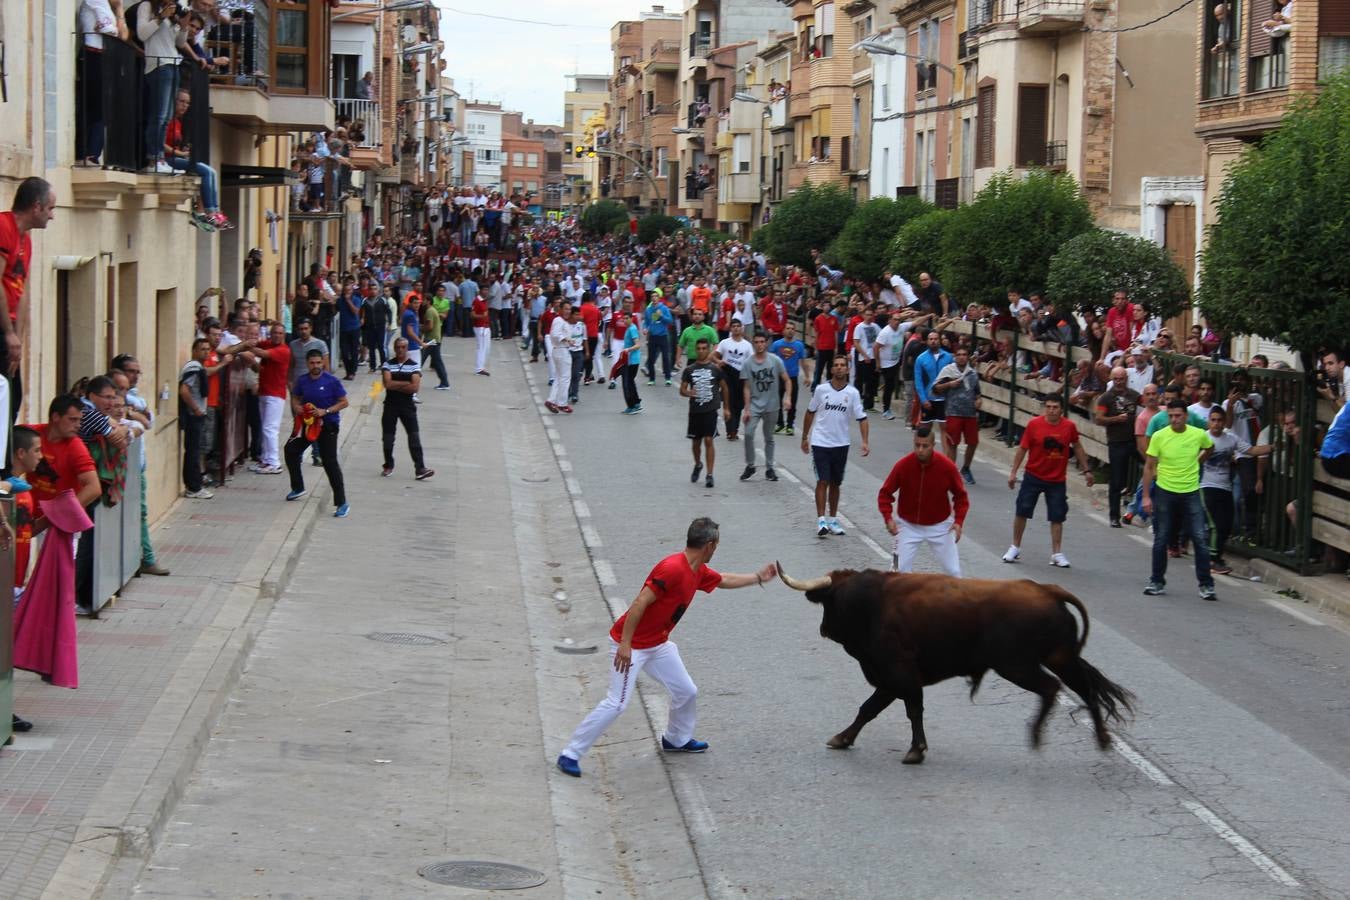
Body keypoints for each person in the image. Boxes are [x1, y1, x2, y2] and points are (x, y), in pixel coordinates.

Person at [555, 518, 778, 777]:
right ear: (709, 545)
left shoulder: (698, 571)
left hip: (657, 644)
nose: (716, 549)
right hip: (631, 645)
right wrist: (625, 645)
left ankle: (676, 739)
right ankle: (570, 753)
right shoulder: (672, 568)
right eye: (716, 545)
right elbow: (640, 603)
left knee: (686, 691)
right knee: (617, 703)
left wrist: (757, 577)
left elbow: (723, 579)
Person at [1004, 396, 1093, 568]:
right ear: (1045, 408)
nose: (1051, 410)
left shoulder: (1069, 427)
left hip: (1057, 479)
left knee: (1057, 516)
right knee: (1022, 511)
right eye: (1049, 407)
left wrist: (1087, 470)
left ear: (1061, 409)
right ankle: (1014, 546)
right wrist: (1013, 472)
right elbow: (1023, 448)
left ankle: (1057, 553)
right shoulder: (1034, 425)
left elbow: (1077, 446)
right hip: (1033, 475)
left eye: (1055, 407)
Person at [1142, 399, 1217, 600]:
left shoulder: (1197, 434)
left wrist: (1198, 461)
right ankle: (1156, 580)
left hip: (1190, 491)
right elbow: (1149, 466)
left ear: (1185, 416)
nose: (1174, 419)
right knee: (1161, 539)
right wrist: (1146, 496)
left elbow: (1209, 447)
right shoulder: (1159, 436)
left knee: (1200, 538)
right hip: (1165, 491)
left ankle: (1206, 585)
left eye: (1178, 416)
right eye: (1171, 416)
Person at [877, 424, 969, 576]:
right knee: (896, 571)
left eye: (925, 446)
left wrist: (958, 521)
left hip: (941, 526)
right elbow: (885, 494)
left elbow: (961, 497)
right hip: (907, 525)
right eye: (917, 445)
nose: (920, 450)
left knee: (954, 572)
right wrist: (888, 518)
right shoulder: (903, 465)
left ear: (933, 445)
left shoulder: (947, 467)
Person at [1, 177, 56, 426]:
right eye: (51, 208)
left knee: (12, 398)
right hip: (1, 327)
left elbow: (22, 293)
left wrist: (17, 339)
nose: (52, 216)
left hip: (7, 331)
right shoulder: (4, 227)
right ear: (36, 206)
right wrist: (8, 333)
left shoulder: (27, 240)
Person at [801, 355, 870, 538]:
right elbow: (810, 412)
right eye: (836, 365)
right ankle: (821, 520)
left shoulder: (853, 393)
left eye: (842, 365)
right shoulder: (821, 390)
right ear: (831, 369)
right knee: (822, 480)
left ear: (847, 369)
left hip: (841, 443)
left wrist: (864, 441)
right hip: (820, 442)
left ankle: (832, 519)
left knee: (836, 482)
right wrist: (804, 437)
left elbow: (862, 418)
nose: (839, 368)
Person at [285, 349, 350, 517]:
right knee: (290, 450)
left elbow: (344, 402)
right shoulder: (303, 381)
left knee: (329, 463)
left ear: (323, 363)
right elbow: (295, 396)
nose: (315, 366)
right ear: (307, 364)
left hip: (328, 427)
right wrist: (297, 407)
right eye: (312, 363)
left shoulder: (332, 381)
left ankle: (342, 502)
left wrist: (326, 411)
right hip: (309, 426)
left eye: (318, 363)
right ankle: (298, 487)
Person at [740, 332, 791, 482]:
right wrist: (747, 409)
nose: (759, 345)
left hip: (772, 404)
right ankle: (750, 465)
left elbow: (787, 380)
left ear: (767, 343)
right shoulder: (748, 363)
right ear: (753, 344)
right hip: (755, 404)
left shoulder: (775, 361)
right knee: (748, 433)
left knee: (769, 437)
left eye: (762, 341)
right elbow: (747, 387)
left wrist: (787, 397)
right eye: (756, 342)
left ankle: (769, 468)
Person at [380, 338, 434, 480]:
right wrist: (406, 383)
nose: (400, 350)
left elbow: (415, 387)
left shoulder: (414, 366)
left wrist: (395, 383)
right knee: (388, 438)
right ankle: (388, 465)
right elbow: (387, 384)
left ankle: (420, 468)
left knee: (414, 436)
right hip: (390, 405)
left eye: (403, 347)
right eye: (398, 347)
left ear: (407, 348)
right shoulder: (387, 364)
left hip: (407, 406)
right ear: (395, 348)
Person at [1095, 366, 1141, 527]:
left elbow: (1146, 405)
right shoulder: (1106, 398)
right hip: (1116, 442)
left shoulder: (1134, 395)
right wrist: (1116, 419)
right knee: (1117, 480)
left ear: (1126, 379)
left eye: (1122, 379)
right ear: (1112, 380)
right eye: (1116, 379)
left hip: (1134, 441)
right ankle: (1114, 516)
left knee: (1150, 465)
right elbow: (1099, 419)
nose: (1119, 382)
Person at [680, 338, 729, 488]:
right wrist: (689, 393)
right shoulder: (689, 370)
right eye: (698, 348)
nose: (701, 351)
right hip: (695, 411)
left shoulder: (716, 370)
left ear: (708, 350)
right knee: (696, 442)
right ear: (695, 350)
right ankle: (698, 463)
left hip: (710, 410)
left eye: (704, 348)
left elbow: (725, 388)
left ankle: (709, 474)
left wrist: (726, 408)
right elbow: (682, 390)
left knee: (709, 440)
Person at [932, 344, 982, 485]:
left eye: (964, 354)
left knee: (973, 443)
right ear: (955, 357)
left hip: (970, 414)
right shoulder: (948, 371)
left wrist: (979, 400)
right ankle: (950, 471)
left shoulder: (972, 373)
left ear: (968, 357)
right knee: (952, 443)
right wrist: (949, 385)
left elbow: (977, 392)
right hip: (953, 412)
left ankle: (966, 468)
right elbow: (935, 389)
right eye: (958, 354)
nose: (961, 357)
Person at [252, 322, 291, 475]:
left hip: (275, 395)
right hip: (265, 392)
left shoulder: (283, 350)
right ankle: (266, 460)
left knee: (270, 428)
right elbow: (258, 344)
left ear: (284, 335)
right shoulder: (268, 344)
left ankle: (274, 462)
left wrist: (244, 347)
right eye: (274, 332)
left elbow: (262, 354)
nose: (277, 335)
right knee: (265, 427)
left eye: (280, 333)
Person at [178, 337, 214, 498]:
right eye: (202, 349)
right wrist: (196, 409)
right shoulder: (193, 367)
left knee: (194, 451)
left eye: (208, 349)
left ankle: (193, 485)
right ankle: (193, 487)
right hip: (193, 416)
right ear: (194, 351)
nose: (206, 352)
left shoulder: (199, 367)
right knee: (193, 452)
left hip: (196, 415)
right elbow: (184, 390)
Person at [715, 320, 752, 441]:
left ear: (742, 328)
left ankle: (735, 428)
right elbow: (712, 356)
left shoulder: (747, 345)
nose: (736, 328)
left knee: (738, 405)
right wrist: (719, 362)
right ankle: (730, 430)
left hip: (741, 376)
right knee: (728, 402)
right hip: (727, 375)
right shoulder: (725, 343)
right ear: (730, 329)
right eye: (733, 326)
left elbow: (751, 361)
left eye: (738, 326)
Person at [770, 321, 806, 436]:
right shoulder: (776, 344)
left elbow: (803, 361)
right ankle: (780, 424)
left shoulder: (799, 345)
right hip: (779, 377)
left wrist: (808, 376)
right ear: (783, 331)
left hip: (792, 377)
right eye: (788, 328)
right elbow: (770, 360)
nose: (790, 330)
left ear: (794, 331)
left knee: (792, 402)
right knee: (777, 401)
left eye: (792, 329)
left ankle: (790, 425)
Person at [913, 329, 952, 424]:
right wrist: (923, 399)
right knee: (925, 428)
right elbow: (918, 381)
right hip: (928, 398)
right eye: (931, 339)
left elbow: (954, 376)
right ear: (927, 341)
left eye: (935, 339)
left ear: (939, 340)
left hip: (944, 399)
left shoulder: (948, 357)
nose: (933, 341)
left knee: (944, 427)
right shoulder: (921, 359)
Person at [546, 302, 577, 414]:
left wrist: (569, 341)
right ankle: (562, 403)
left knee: (559, 377)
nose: (568, 311)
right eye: (566, 309)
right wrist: (566, 340)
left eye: (569, 309)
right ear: (560, 309)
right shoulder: (559, 320)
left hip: (561, 349)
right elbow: (555, 334)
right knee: (565, 378)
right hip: (561, 350)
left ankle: (551, 400)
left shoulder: (563, 321)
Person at [471, 285, 492, 376]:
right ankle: (479, 368)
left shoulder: (484, 301)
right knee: (481, 347)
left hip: (486, 326)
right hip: (480, 327)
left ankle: (481, 366)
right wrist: (482, 316)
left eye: (487, 289)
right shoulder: (477, 301)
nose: (486, 291)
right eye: (484, 289)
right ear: (480, 290)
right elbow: (472, 315)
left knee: (486, 347)